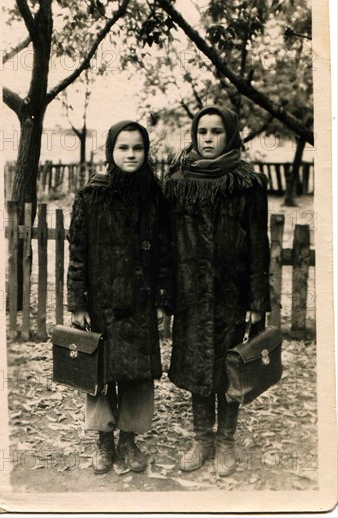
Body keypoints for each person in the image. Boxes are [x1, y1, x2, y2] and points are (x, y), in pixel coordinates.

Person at [165, 105, 270, 477]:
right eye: (203, 131)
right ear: (194, 135)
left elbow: (260, 244)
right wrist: (167, 295)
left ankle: (226, 442)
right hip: (190, 295)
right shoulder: (177, 182)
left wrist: (258, 300)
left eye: (216, 131)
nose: (208, 139)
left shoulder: (247, 184)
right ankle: (202, 439)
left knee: (230, 368)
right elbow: (165, 244)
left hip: (231, 296)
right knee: (197, 366)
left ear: (231, 135)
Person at [67, 120, 172, 474]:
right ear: (111, 151)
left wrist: (162, 299)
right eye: (123, 147)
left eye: (138, 148)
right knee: (99, 371)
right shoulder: (91, 195)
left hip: (141, 302)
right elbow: (78, 253)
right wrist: (78, 303)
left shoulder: (155, 196)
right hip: (101, 301)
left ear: (146, 152)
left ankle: (128, 440)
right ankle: (103, 441)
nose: (131, 154)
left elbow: (164, 252)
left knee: (137, 374)